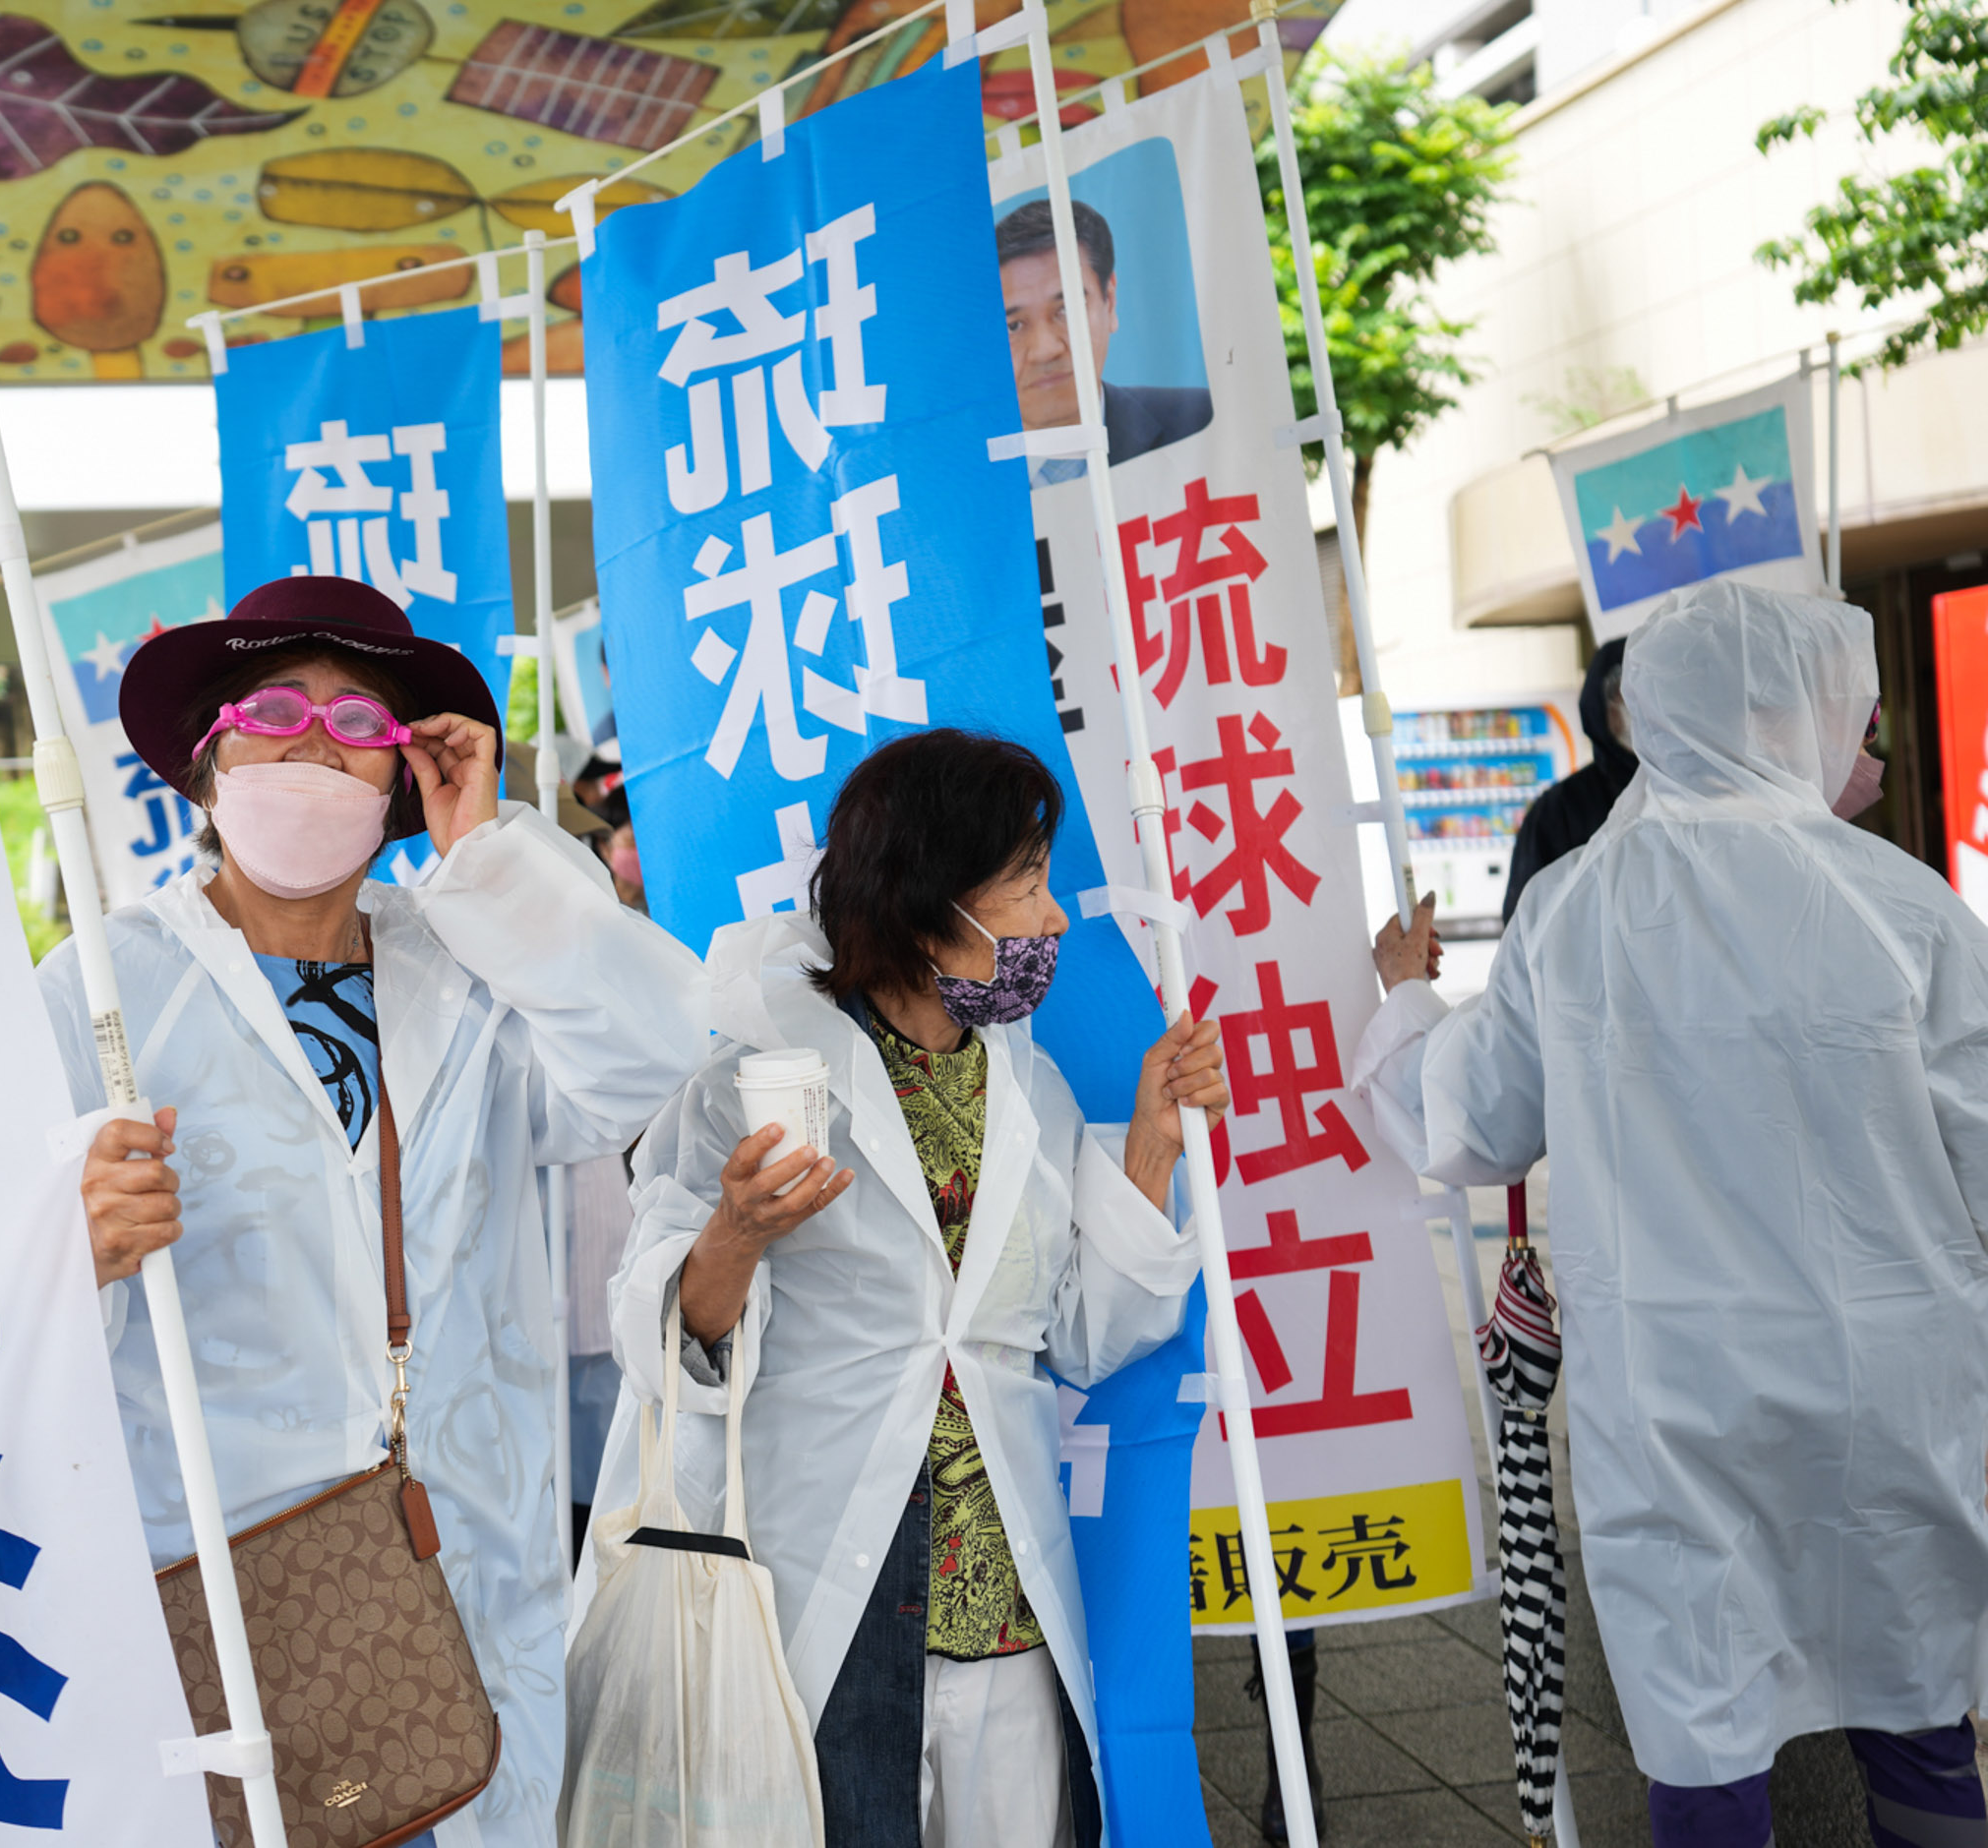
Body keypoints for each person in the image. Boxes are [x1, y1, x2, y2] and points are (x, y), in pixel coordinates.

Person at [44, 576, 710, 1843]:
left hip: (463, 1554)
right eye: (274, 710)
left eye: (358, 723)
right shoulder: (106, 993)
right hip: (234, 1574)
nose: (311, 744)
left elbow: (651, 1049)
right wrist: (72, 1246)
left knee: (474, 1797)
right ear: (208, 757)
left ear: (401, 775)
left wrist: (487, 858)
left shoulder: (470, 967)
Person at [1352, 578, 1988, 1848]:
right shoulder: (1904, 905)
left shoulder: (1574, 908)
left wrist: (1403, 998)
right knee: (1916, 1697)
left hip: (1673, 1400)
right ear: (1787, 713)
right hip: (1887, 1387)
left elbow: (1468, 1119)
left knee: (1702, 1729)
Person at [590, 728, 1223, 1848]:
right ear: (930, 900)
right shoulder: (751, 1083)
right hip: (822, 1582)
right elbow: (664, 1346)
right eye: (1027, 883)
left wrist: (1152, 1149)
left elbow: (1082, 1338)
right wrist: (736, 1233)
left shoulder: (1030, 1086)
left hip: (1004, 1598)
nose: (1054, 919)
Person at [995, 198, 1212, 475]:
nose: (1045, 350)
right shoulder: (959, 475)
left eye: (1066, 310)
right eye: (1013, 326)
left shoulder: (1198, 420)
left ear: (1109, 301)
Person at [1501, 635, 1636, 922]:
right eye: (1624, 695)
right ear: (1600, 707)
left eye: (1646, 692)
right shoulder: (1560, 809)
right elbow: (1524, 920)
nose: (1637, 707)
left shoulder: (1684, 789)